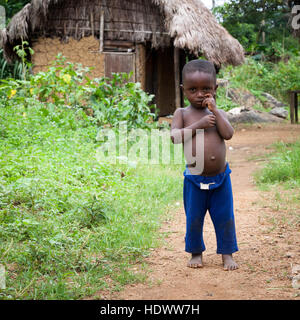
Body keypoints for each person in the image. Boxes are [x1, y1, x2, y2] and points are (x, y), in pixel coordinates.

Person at [170, 59, 238, 271]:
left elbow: (228, 134)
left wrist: (215, 112)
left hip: (221, 178)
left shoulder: (217, 114)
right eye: (193, 89)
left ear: (215, 89)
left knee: (224, 216)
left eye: (206, 89)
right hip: (194, 178)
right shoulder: (182, 114)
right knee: (194, 218)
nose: (199, 94)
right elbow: (175, 137)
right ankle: (196, 253)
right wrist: (198, 125)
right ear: (184, 90)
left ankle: (227, 254)